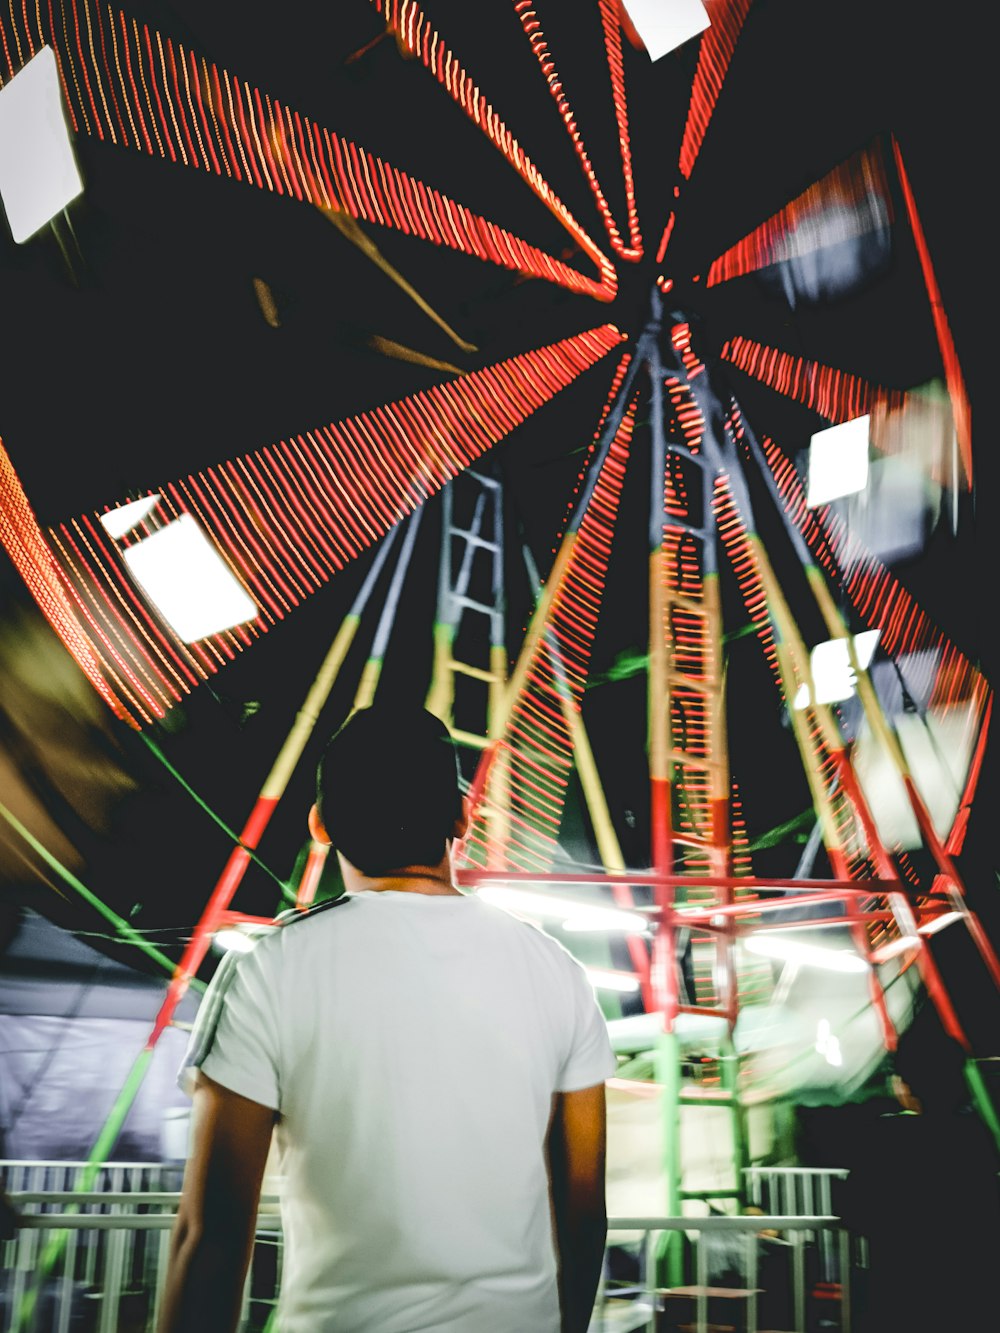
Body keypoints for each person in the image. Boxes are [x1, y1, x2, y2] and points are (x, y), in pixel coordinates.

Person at [159, 704, 616, 1333]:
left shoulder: (270, 971)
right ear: (462, 816)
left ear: (320, 825)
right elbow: (584, 1208)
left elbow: (209, 1235)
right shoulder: (559, 973)